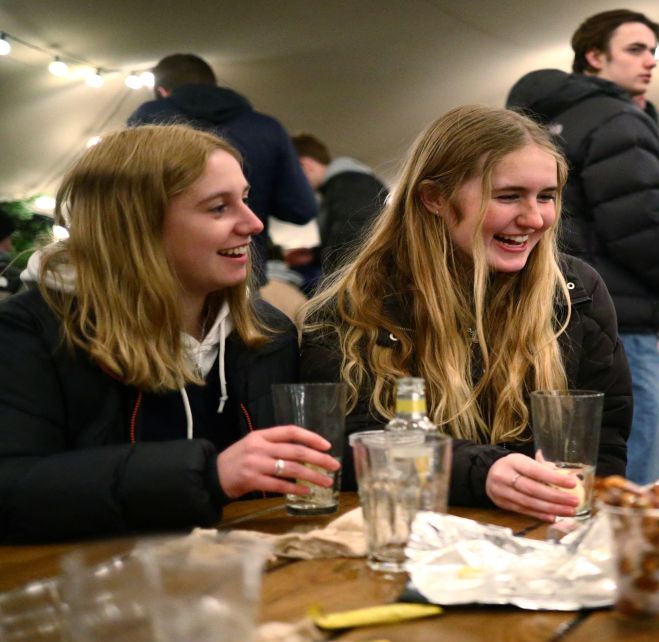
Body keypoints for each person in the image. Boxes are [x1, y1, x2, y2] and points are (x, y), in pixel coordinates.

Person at [0, 125, 338, 543]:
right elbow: (12, 490)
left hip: (242, 577)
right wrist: (209, 475)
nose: (252, 224)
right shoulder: (30, 332)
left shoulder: (266, 332)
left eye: (245, 199)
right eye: (218, 208)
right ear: (135, 226)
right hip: (85, 588)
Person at [300, 105, 632, 522]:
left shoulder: (575, 293)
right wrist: (480, 472)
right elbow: (340, 443)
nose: (534, 218)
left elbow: (602, 441)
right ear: (434, 198)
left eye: (547, 197)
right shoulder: (359, 302)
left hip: (539, 539)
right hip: (408, 540)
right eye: (509, 196)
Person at [506, 9, 659, 485]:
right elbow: (642, 226)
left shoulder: (542, 121)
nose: (650, 62)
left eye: (652, 51)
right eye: (635, 50)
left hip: (546, 309)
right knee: (628, 480)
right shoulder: (619, 118)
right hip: (623, 318)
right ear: (594, 57)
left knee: (560, 470)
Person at [128, 54, 317, 284]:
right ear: (214, 85)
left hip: (165, 273)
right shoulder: (266, 128)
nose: (253, 223)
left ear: (162, 91)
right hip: (244, 269)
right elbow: (300, 208)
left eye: (244, 198)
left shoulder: (148, 120)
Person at [291, 133, 389, 275]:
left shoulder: (350, 185)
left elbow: (354, 244)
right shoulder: (342, 187)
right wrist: (314, 254)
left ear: (305, 165)